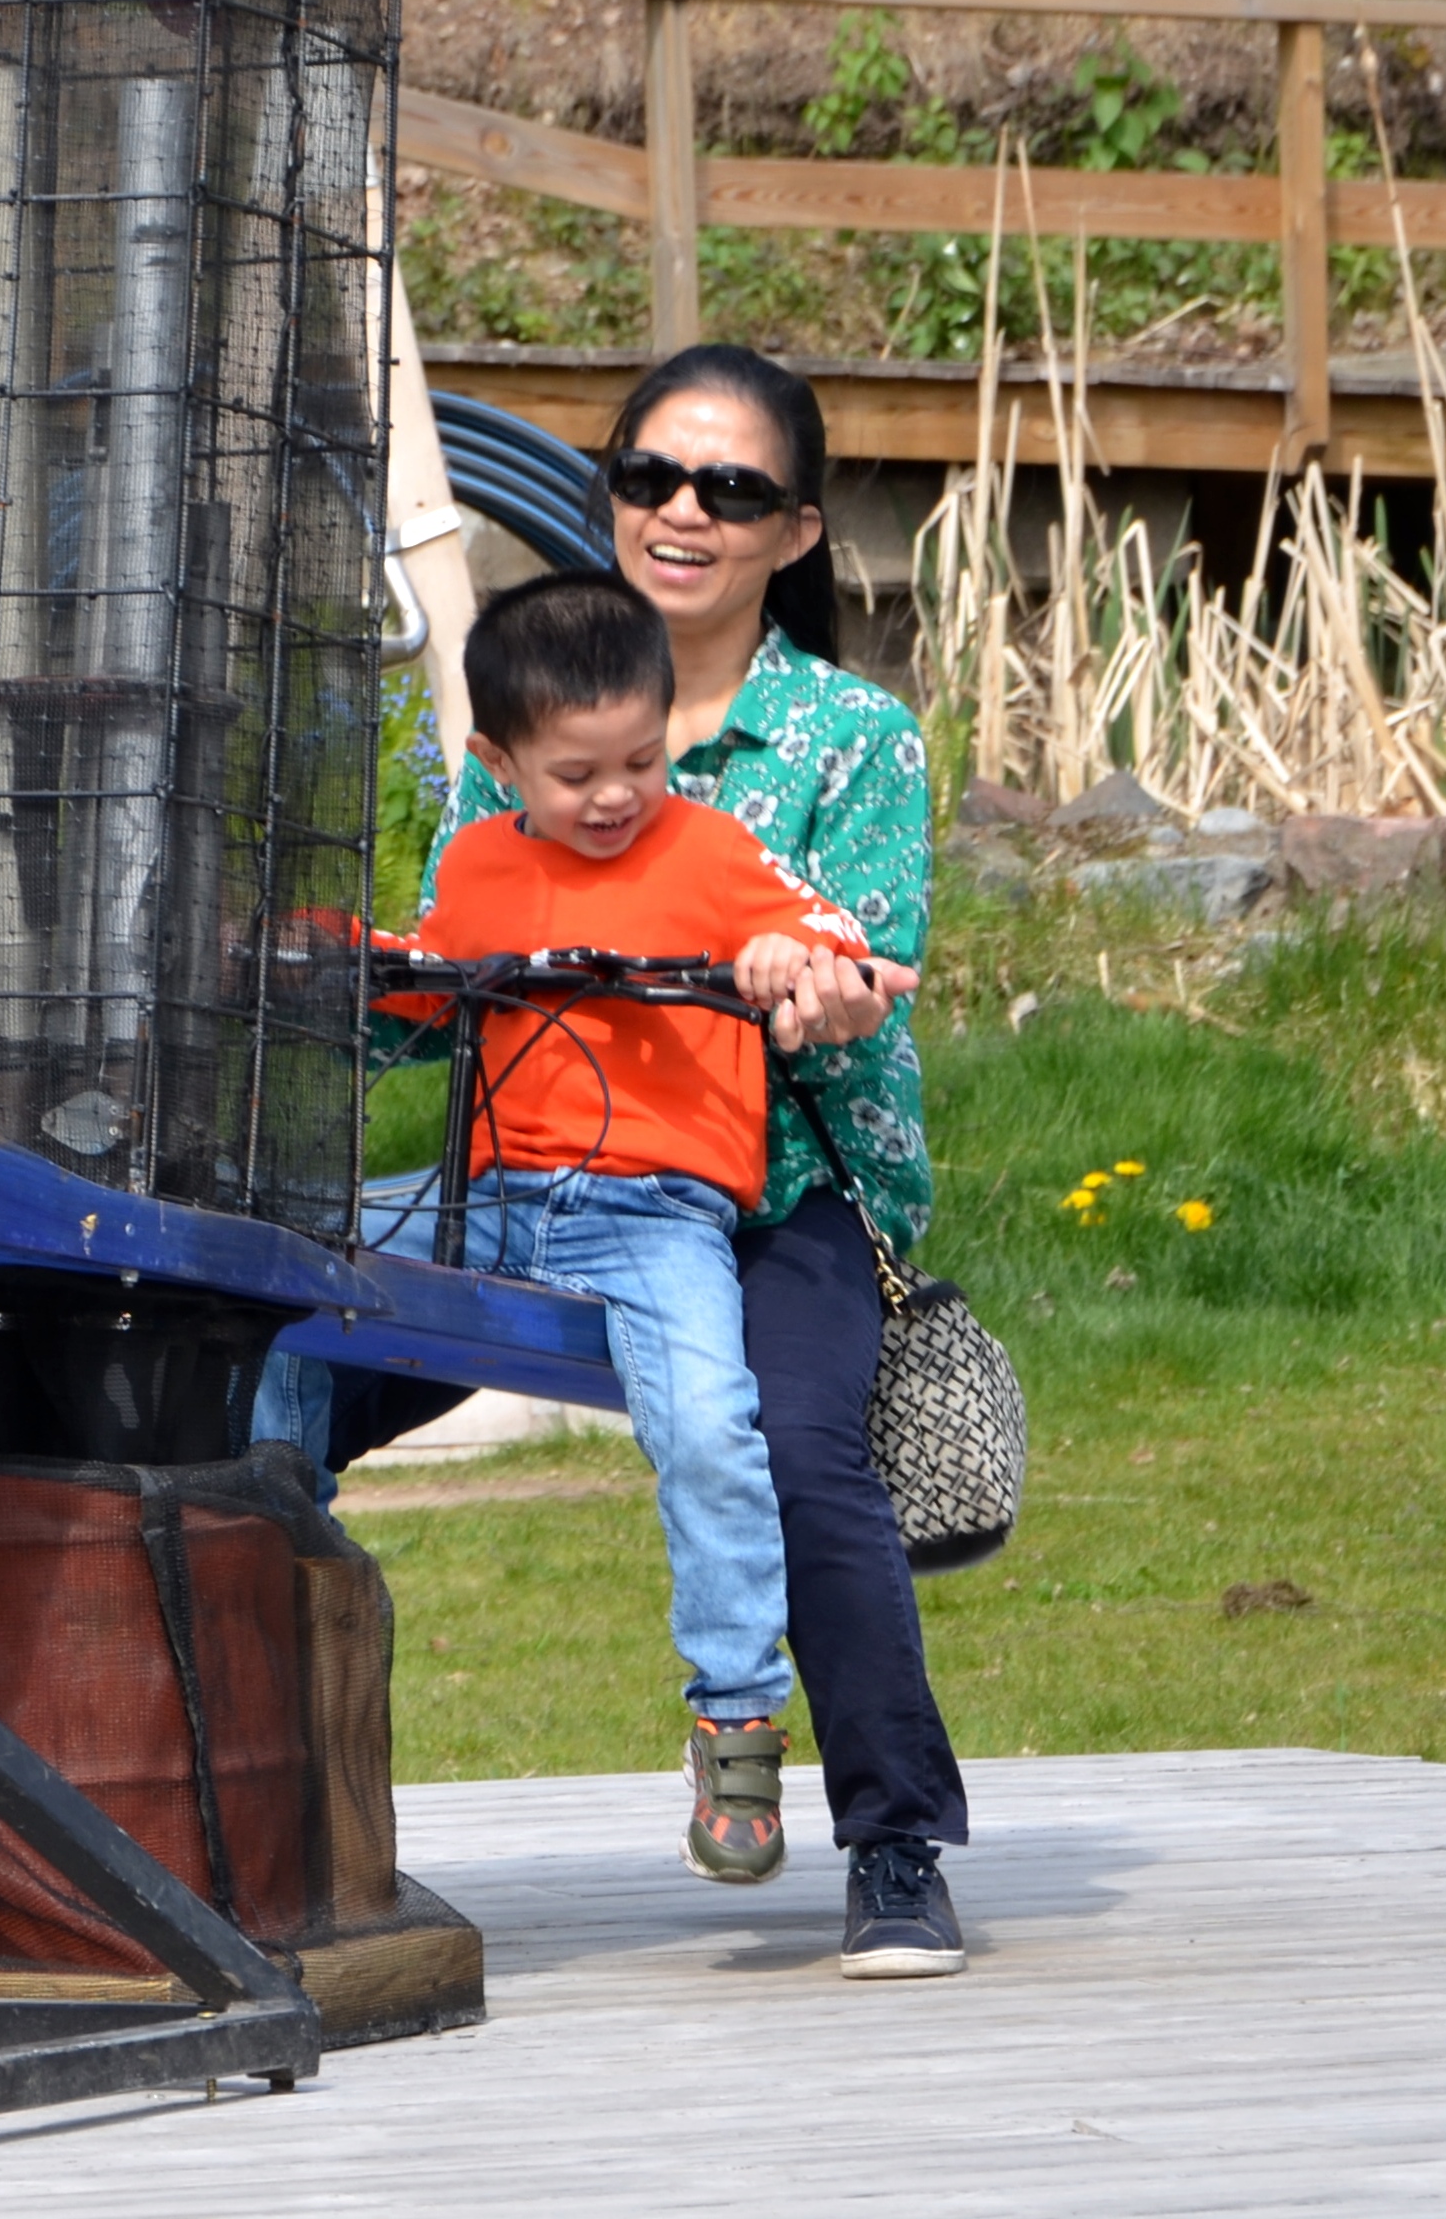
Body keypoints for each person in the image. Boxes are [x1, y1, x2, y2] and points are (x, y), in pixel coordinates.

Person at [309, 342, 970, 1978]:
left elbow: (863, 975)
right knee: (262, 1355)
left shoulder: (846, 741)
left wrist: (807, 984)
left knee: (790, 1447)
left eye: (729, 490)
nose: (681, 510)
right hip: (535, 1177)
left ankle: (890, 1841)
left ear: (794, 533)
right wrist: (338, 987)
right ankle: (253, 1794)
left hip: (776, 1187)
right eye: (649, 477)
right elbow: (458, 982)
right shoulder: (519, 718)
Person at [360, 571, 897, 1896]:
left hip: (651, 1212)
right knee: (282, 1275)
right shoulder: (477, 862)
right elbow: (429, 986)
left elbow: (835, 937)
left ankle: (735, 1720)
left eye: (642, 762)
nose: (614, 796)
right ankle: (269, 1525)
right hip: (485, 1196)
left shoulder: (710, 854)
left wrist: (791, 959)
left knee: (713, 1427)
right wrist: (348, 959)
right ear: (498, 765)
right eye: (576, 773)